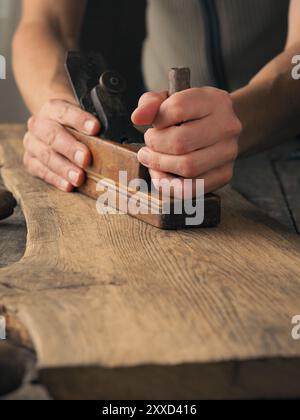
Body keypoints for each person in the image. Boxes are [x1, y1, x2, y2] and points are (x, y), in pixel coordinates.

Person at [12, 0, 300, 195]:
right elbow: (43, 23)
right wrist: (61, 112)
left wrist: (241, 116)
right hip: (157, 141)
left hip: (283, 145)